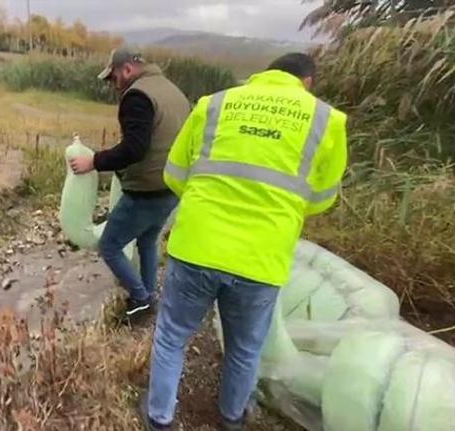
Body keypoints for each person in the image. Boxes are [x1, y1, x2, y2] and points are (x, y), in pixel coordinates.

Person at [139, 53, 348, 430]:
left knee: (172, 336)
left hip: (197, 245)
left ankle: (160, 418)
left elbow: (174, 174)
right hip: (261, 256)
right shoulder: (326, 120)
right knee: (244, 348)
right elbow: (321, 199)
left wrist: (210, 202)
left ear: (263, 74)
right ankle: (232, 417)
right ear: (308, 83)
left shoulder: (214, 104)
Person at [69, 46, 190, 319]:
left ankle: (140, 298)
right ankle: (150, 294)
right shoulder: (171, 90)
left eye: (113, 78)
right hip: (171, 185)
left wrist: (95, 161)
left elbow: (135, 148)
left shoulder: (137, 96)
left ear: (127, 69)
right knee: (147, 241)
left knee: (109, 246)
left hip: (147, 191)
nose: (113, 85)